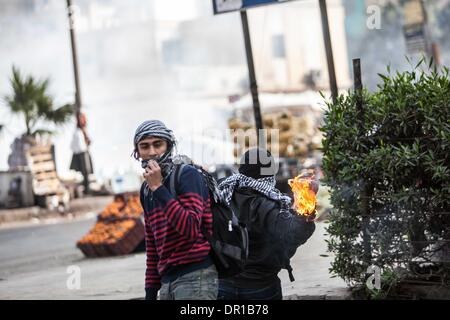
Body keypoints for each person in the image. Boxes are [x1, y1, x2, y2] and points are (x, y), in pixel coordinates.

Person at [133, 120, 218, 300]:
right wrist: (150, 292)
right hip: (167, 283)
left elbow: (190, 229)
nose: (152, 152)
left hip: (196, 279)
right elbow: (153, 246)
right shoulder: (146, 190)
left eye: (158, 144)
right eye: (144, 146)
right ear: (137, 152)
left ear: (169, 145)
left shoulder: (187, 175)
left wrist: (159, 189)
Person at [217, 147, 317, 300]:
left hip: (223, 283)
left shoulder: (223, 193)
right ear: (270, 174)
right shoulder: (268, 205)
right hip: (259, 286)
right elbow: (294, 234)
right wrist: (307, 207)